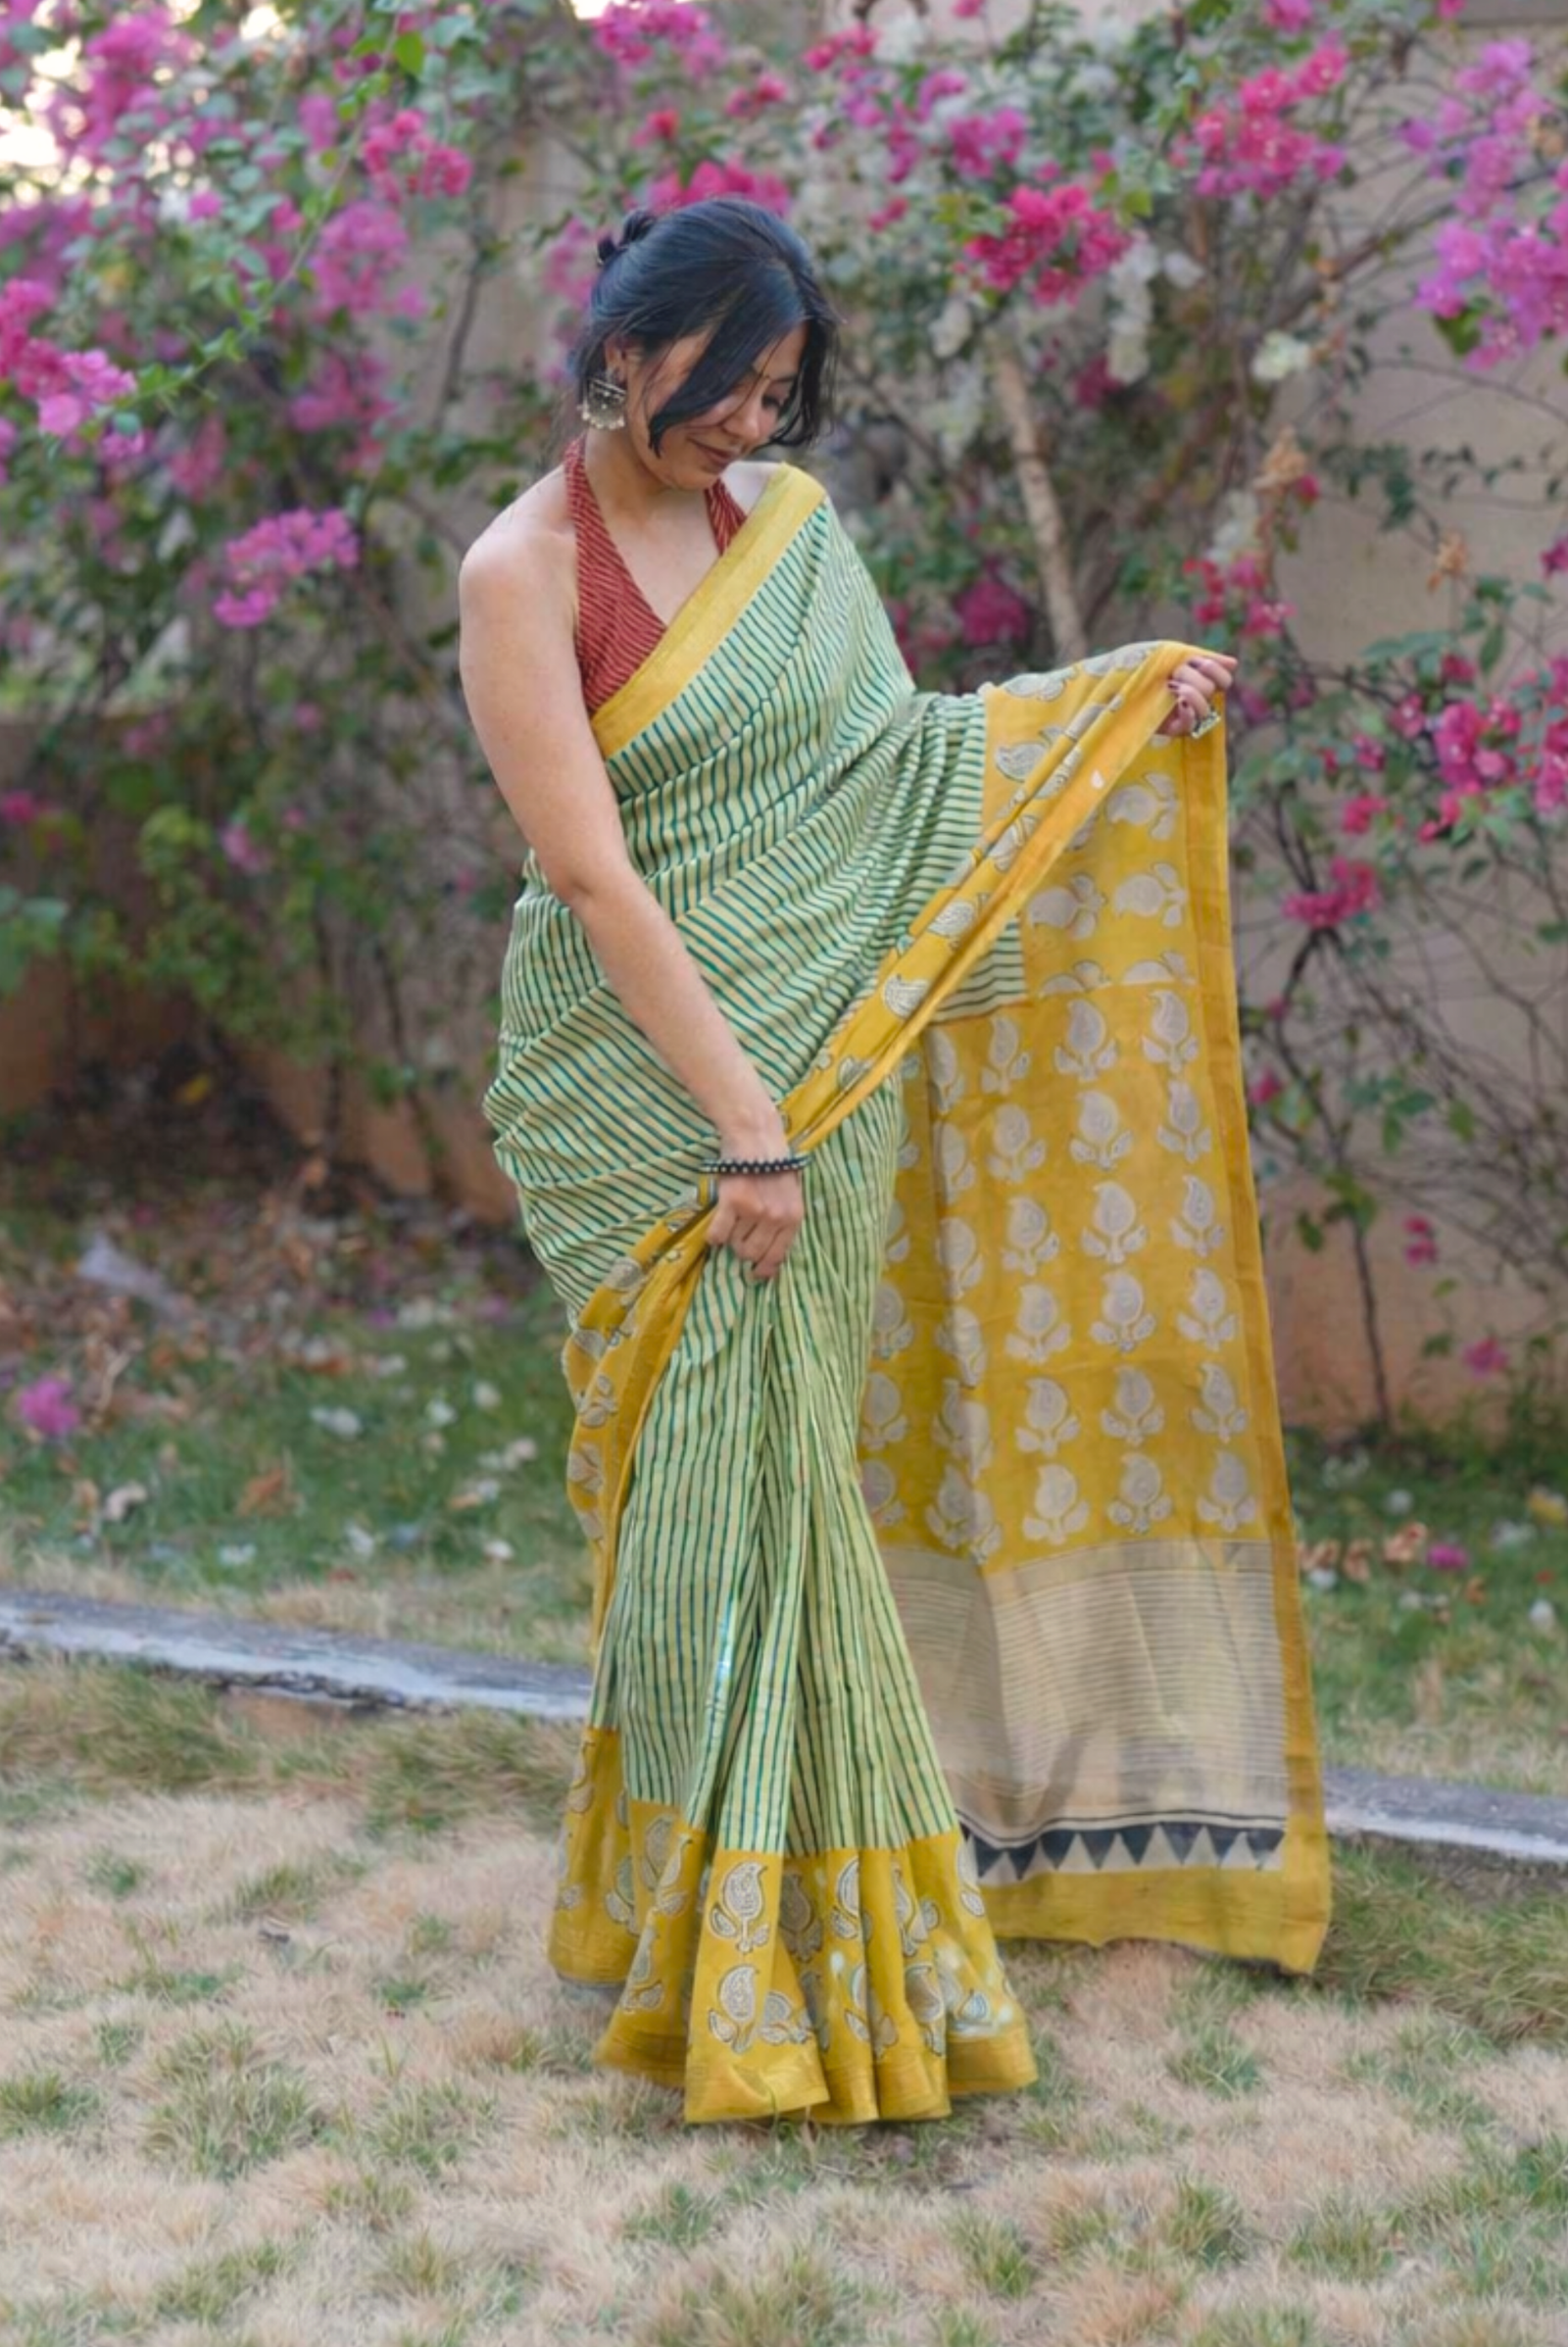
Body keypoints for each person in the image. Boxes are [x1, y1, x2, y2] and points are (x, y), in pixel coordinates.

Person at [458, 194, 1331, 2130]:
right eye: (724, 380)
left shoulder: (786, 529)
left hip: (823, 1070)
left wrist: (1109, 704)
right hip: (650, 1099)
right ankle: (723, 1933)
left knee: (786, 1497)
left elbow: (900, 767)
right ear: (625, 345)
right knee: (700, 1516)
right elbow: (594, 879)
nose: (748, 423)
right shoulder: (523, 572)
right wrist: (739, 1126)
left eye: (780, 391)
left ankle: (755, 1947)